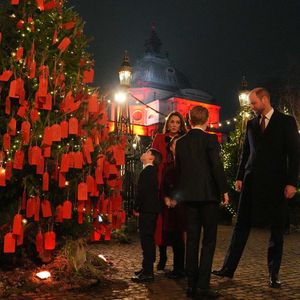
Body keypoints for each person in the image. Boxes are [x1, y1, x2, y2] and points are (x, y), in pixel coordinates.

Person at [212, 87, 300, 288]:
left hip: (277, 183)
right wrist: (240, 176)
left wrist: (292, 183)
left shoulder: (286, 122)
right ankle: (228, 268)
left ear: (265, 99)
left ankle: (273, 274)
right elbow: (246, 153)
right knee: (241, 226)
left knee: (276, 230)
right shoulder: (251, 124)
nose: (251, 107)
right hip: (251, 181)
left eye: (254, 103)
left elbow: (295, 155)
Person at [174, 106, 229, 299]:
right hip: (208, 196)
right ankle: (203, 285)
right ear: (207, 120)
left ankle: (191, 284)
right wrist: (224, 190)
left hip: (189, 196)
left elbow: (179, 170)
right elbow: (216, 166)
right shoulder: (210, 139)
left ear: (188, 120)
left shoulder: (180, 142)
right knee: (209, 240)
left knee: (192, 240)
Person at [152, 111, 187, 271]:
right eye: (172, 121)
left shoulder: (184, 140)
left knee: (177, 224)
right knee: (161, 223)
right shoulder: (159, 138)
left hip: (177, 182)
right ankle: (162, 256)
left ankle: (179, 262)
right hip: (161, 182)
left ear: (181, 124)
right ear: (168, 123)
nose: (174, 124)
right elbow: (154, 159)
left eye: (177, 122)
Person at [131, 148, 162, 283]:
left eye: (148, 152)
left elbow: (142, 192)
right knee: (146, 239)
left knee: (147, 240)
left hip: (147, 210)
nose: (144, 152)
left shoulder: (148, 171)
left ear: (152, 158)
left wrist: (136, 206)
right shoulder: (149, 171)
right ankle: (146, 268)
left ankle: (148, 272)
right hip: (149, 210)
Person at [161, 137, 186, 279]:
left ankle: (181, 269)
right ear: (171, 147)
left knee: (180, 238)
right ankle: (177, 268)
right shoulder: (169, 165)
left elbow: (186, 185)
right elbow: (164, 185)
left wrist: (177, 199)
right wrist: (166, 197)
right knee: (175, 238)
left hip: (182, 206)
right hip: (170, 206)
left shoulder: (186, 165)